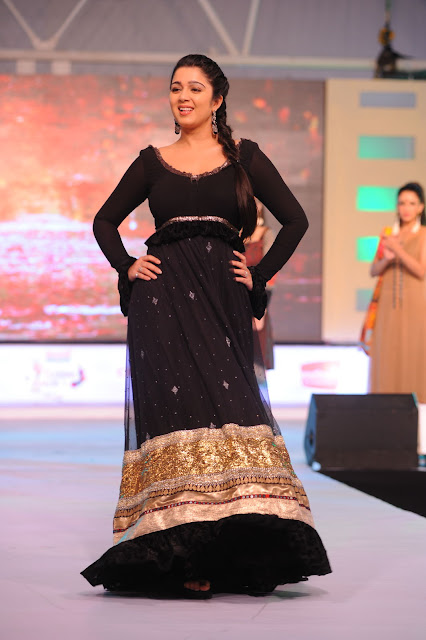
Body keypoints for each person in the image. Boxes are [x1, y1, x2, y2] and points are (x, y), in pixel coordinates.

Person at [81, 54, 331, 597]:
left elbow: (296, 220)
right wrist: (127, 265)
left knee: (233, 413)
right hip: (161, 307)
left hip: (221, 302)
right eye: (175, 88)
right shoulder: (152, 162)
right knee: (178, 418)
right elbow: (104, 221)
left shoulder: (245, 158)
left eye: (195, 88)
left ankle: (239, 554)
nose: (183, 97)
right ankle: (184, 558)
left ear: (217, 99)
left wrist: (258, 274)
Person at [367, 182, 426, 402]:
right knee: (385, 354)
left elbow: (421, 270)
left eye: (411, 203)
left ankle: (416, 408)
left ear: (420, 207)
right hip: (387, 304)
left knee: (413, 354)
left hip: (415, 303)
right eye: (402, 203)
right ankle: (383, 408)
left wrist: (397, 249)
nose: (406, 208)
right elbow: (374, 270)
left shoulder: (423, 234)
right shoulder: (388, 233)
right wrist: (387, 258)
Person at [245, 199, 276, 369]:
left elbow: (270, 272)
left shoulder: (266, 234)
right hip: (236, 296)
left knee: (258, 351)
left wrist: (262, 301)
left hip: (258, 294)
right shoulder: (236, 233)